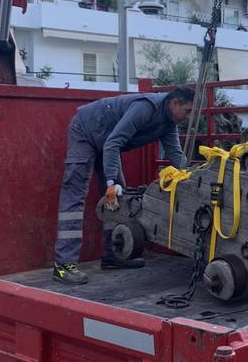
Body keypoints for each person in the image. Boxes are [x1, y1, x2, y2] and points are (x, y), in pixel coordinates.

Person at [52, 87, 195, 284]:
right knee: (75, 195)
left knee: (120, 201)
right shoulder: (146, 108)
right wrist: (112, 182)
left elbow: (176, 155)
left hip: (107, 141)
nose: (188, 117)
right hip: (85, 130)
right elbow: (113, 143)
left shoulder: (169, 123)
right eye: (187, 111)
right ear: (175, 103)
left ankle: (112, 256)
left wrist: (192, 178)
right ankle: (63, 265)